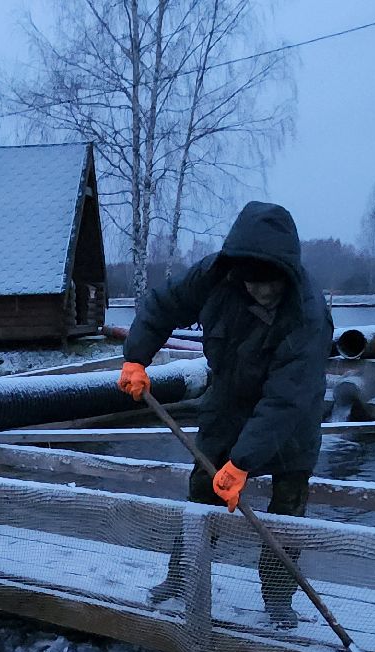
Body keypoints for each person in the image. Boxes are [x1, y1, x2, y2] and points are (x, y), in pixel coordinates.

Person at [117, 201, 332, 630]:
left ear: (286, 274)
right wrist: (136, 358)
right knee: (202, 495)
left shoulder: (307, 317)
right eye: (252, 282)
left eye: (270, 283)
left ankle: (277, 600)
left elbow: (286, 401)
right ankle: (180, 579)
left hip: (289, 423)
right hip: (228, 402)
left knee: (286, 513)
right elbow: (162, 305)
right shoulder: (214, 275)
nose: (261, 291)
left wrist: (244, 462)